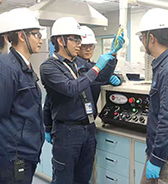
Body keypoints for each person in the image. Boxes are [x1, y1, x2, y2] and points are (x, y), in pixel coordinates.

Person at [40, 17, 124, 184]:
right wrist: (96, 67)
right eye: (75, 39)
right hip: (67, 133)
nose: (79, 43)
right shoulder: (49, 67)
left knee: (84, 178)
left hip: (88, 129)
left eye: (80, 39)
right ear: (60, 40)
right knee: (64, 179)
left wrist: (113, 55)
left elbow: (101, 77)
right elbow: (72, 88)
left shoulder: (78, 64)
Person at [44, 26, 123, 143]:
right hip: (68, 128)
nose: (87, 49)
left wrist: (112, 56)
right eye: (83, 46)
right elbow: (52, 100)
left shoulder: (86, 65)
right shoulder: (53, 66)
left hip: (88, 125)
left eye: (91, 46)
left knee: (88, 161)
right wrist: (48, 126)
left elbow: (103, 76)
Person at [136, 8, 168, 184]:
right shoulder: (165, 65)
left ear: (151, 38)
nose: (142, 41)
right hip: (159, 151)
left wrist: (156, 159)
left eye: (142, 37)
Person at [0, 8, 44, 184]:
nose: (40, 40)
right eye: (36, 35)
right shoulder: (7, 67)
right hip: (14, 155)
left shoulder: (24, 66)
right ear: (21, 36)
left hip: (28, 151)